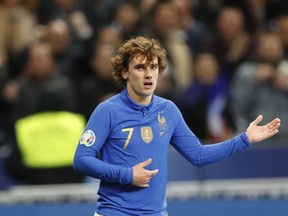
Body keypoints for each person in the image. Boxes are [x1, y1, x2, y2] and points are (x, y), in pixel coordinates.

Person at [73, 36, 281, 216]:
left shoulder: (168, 111)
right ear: (125, 73)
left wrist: (244, 140)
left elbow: (198, 155)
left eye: (153, 67)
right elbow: (81, 160)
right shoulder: (107, 111)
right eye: (140, 67)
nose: (148, 74)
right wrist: (127, 175)